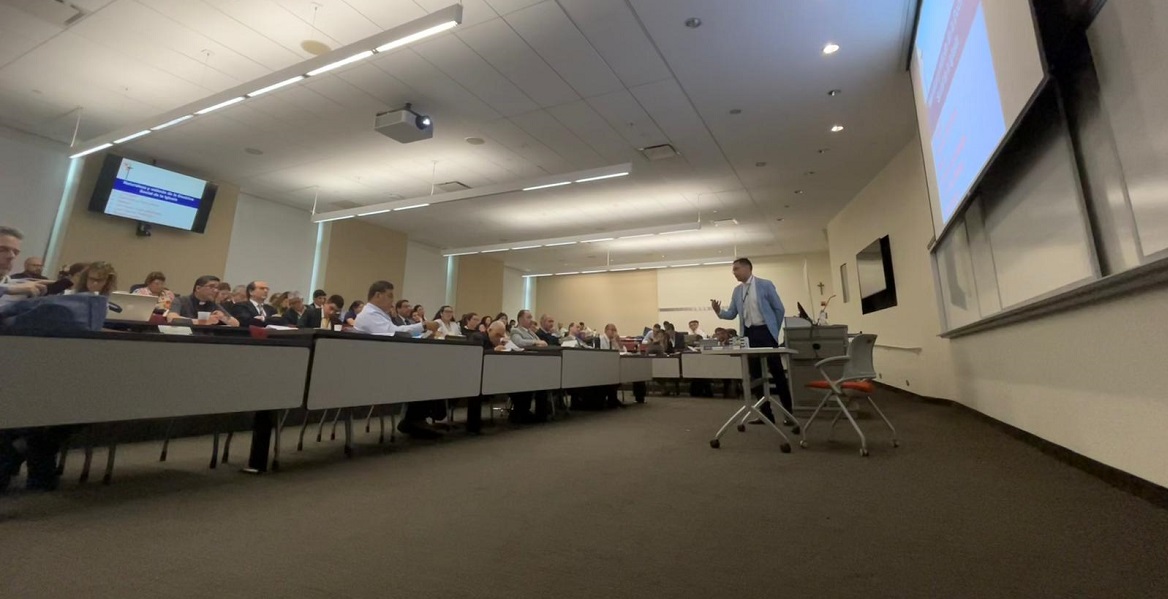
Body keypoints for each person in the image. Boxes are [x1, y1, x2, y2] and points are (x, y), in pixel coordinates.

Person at [711, 257, 798, 431]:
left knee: (777, 373)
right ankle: (766, 415)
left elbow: (779, 309)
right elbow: (732, 314)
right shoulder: (737, 291)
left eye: (736, 269)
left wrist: (773, 330)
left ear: (747, 268)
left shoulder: (765, 285)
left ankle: (789, 415)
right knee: (755, 374)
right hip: (748, 334)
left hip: (766, 332)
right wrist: (719, 311)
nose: (733, 272)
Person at [354, 281, 442, 438]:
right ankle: (414, 420)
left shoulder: (379, 315)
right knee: (425, 374)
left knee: (429, 370)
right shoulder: (368, 315)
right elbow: (394, 333)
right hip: (374, 368)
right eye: (389, 296)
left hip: (385, 362)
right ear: (377, 295)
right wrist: (423, 326)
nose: (392, 301)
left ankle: (417, 418)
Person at [168, 275, 240, 326]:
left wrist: (222, 317)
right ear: (198, 288)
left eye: (217, 288)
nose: (216, 290)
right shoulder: (181, 301)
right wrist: (202, 322)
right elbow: (172, 319)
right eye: (211, 287)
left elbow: (236, 323)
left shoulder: (213, 304)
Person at [0, 226, 47, 300]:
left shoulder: (21, 288)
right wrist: (8, 289)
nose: (12, 256)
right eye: (2, 250)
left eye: (16, 252)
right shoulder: (13, 289)